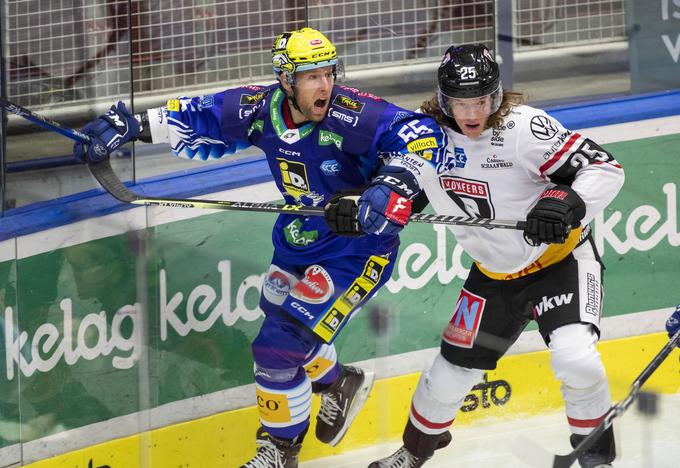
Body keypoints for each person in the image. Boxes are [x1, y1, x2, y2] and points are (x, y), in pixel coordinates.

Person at [72, 27, 445, 468]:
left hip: (357, 249)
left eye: (328, 72)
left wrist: (390, 184)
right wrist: (128, 126)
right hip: (299, 239)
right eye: (310, 77)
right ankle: (338, 381)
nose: (324, 84)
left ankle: (279, 450)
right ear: (286, 81)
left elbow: (419, 134)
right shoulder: (261, 108)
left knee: (275, 348)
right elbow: (202, 114)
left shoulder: (353, 113)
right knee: (280, 324)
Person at [356, 44, 625, 468]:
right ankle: (413, 452)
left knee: (576, 358)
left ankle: (597, 459)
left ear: (496, 97)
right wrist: (357, 205)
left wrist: (565, 201)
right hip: (493, 277)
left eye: (480, 100)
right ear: (443, 100)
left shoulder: (524, 129)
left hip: (562, 263)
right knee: (448, 373)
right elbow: (401, 193)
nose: (471, 112)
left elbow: (605, 168)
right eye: (460, 103)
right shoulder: (426, 138)